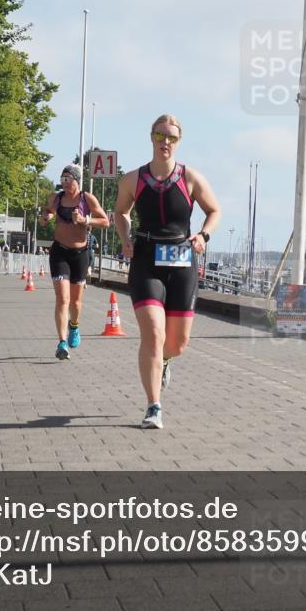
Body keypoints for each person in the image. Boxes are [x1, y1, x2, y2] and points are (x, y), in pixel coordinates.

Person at [113, 114, 221, 429]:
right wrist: (125, 238)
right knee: (153, 332)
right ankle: (153, 406)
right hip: (146, 259)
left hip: (182, 260)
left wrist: (203, 236)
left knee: (176, 344)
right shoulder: (133, 179)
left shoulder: (191, 178)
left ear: (178, 141)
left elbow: (214, 210)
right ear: (152, 137)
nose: (165, 142)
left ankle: (165, 361)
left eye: (171, 137)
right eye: (160, 136)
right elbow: (120, 212)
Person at [39, 164, 110, 359]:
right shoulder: (56, 198)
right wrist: (45, 218)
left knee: (76, 303)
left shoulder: (87, 199)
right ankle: (62, 343)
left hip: (80, 254)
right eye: (62, 179)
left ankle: (74, 326)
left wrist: (86, 220)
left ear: (77, 180)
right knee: (63, 298)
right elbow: (48, 212)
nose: (64, 183)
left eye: (68, 179)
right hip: (60, 252)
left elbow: (105, 221)